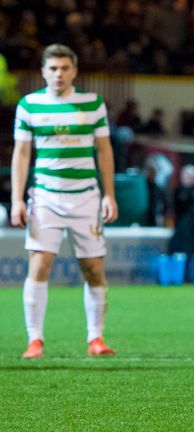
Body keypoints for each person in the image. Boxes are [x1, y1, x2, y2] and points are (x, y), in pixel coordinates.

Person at [11, 44, 120, 359]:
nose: (59, 74)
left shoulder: (92, 104)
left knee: (93, 268)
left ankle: (96, 339)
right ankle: (35, 340)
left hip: (85, 197)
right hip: (45, 196)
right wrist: (18, 199)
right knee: (40, 263)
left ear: (75, 71)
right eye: (53, 68)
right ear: (43, 71)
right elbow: (22, 154)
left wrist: (109, 194)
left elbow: (104, 151)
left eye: (65, 68)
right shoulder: (29, 106)